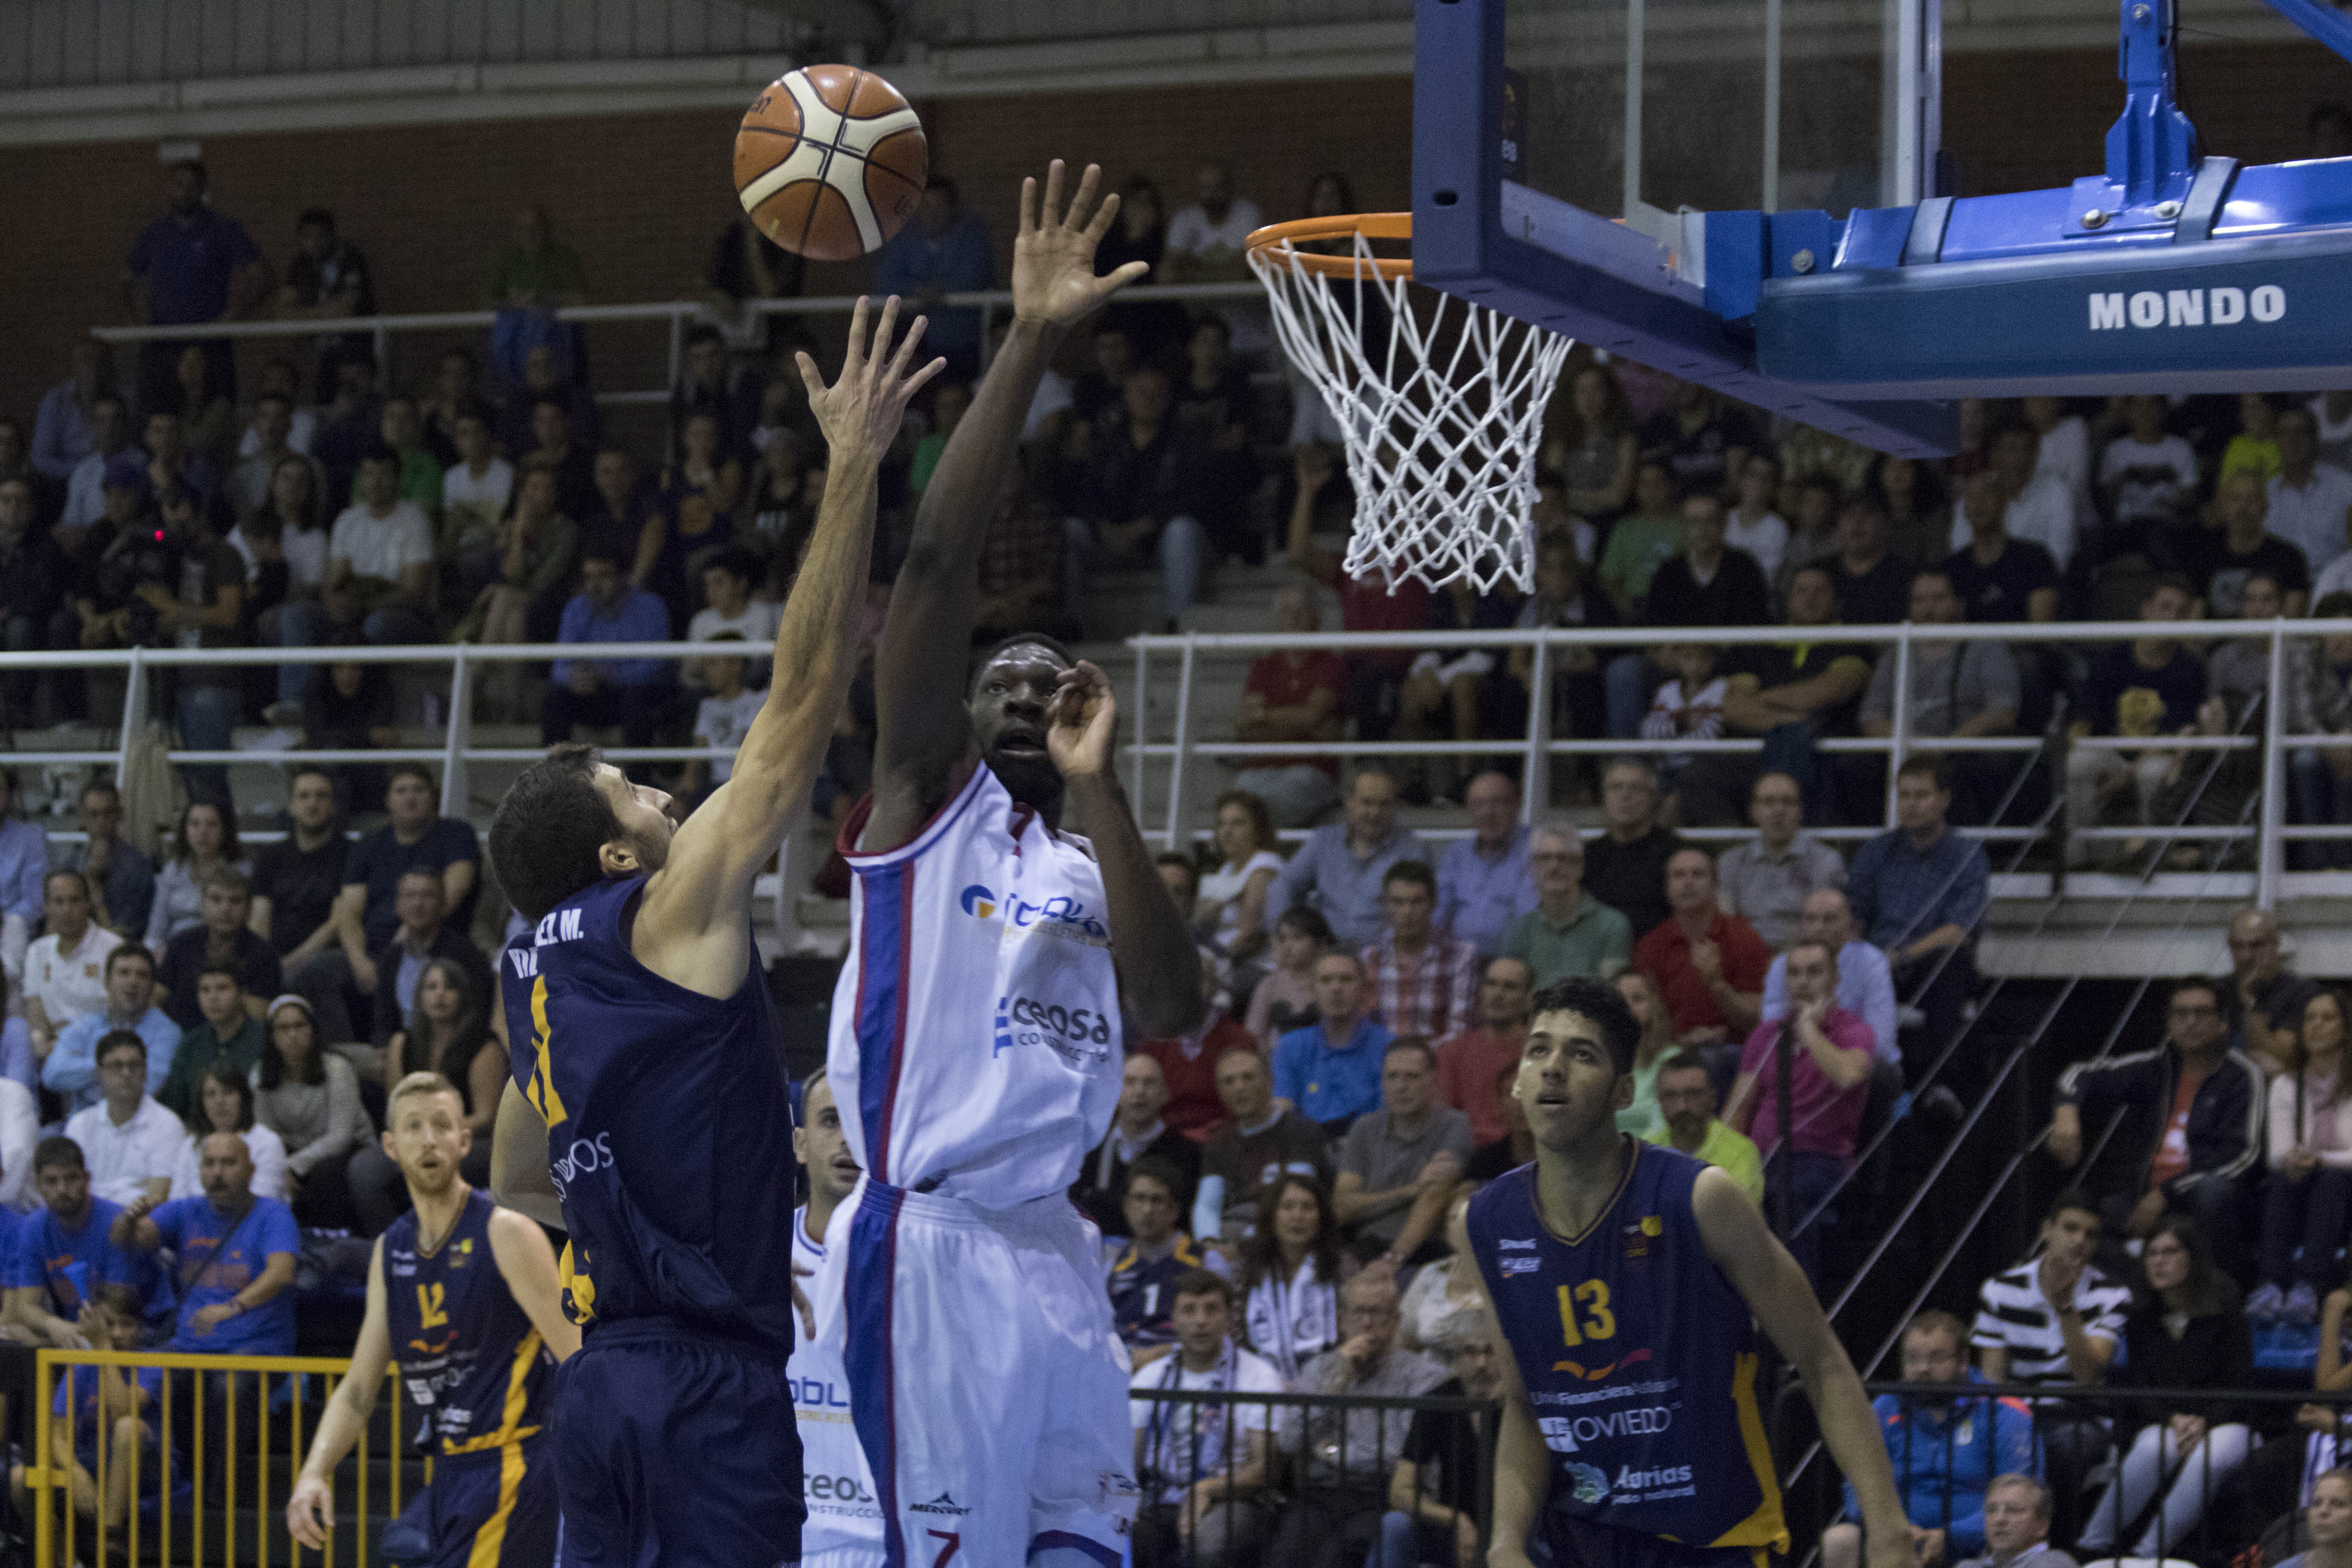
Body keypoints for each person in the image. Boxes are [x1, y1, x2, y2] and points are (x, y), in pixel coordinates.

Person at [481, 285, 940, 1568]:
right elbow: (798, 707)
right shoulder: (661, 906)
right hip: (707, 1391)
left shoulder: (528, 980)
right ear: (618, 855)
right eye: (639, 789)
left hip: (608, 1381)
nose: (669, 789)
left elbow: (518, 1178)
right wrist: (851, 466)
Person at [785, 169, 1198, 1568]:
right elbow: (946, 555)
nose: (1023, 690)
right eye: (1000, 679)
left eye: (1050, 677)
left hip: (1059, 1253)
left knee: (1083, 1548)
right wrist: (1028, 342)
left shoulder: (1092, 850)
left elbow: (1176, 998)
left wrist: (1102, 788)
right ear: (959, 712)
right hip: (932, 1246)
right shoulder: (920, 804)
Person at [1463, 975, 1907, 1568]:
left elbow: (1823, 1362)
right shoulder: (1488, 1221)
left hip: (1713, 1541)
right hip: (1582, 1543)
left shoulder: (1700, 1198)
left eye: (1582, 1053)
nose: (1553, 1067)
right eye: (1539, 1049)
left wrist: (1887, 1526)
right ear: (1517, 1079)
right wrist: (1505, 1543)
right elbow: (1523, 1404)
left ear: (1624, 1092)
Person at [287, 1072, 575, 1568]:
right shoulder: (389, 1252)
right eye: (414, 1127)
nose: (429, 1139)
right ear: (390, 1146)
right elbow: (358, 1392)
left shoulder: (506, 1232)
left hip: (514, 1465)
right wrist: (314, 1471)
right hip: (449, 1471)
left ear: (465, 1140)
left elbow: (578, 1360)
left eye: (442, 1125)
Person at [2072, 1214, 2253, 1558]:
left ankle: (2147, 1555)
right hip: (2170, 1422)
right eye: (2152, 1253)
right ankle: (2091, 1546)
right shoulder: (2141, 1318)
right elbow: (2144, 1390)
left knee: (2211, 1454)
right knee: (2155, 1446)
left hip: (2229, 1422)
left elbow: (2239, 1385)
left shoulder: (2226, 1311)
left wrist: (2204, 1422)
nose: (2158, 1261)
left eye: (2169, 1252)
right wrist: (2175, 1420)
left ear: (2192, 1258)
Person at [2048, 974, 2265, 1255]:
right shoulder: (2154, 1067)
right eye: (2181, 1013)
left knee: (2213, 1192)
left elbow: (2244, 1157)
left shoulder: (2243, 1075)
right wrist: (2066, 1114)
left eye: (2201, 1013)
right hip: (2144, 1194)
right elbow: (2080, 1073)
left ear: (2222, 1023)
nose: (2191, 1022)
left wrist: (2167, 1193)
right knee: (2082, 1217)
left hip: (2203, 1200)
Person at [1970, 1192, 2131, 1542]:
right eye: (2070, 1229)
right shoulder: (2000, 1290)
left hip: (2078, 1412)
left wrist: (2065, 1307)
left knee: (2058, 1447)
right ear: (2047, 1230)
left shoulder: (2111, 1294)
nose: (2080, 1242)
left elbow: (2088, 1377)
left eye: (2090, 1234)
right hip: (2017, 1412)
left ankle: (2039, 1547)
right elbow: (1993, 1383)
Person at [1822, 1312, 2040, 1568]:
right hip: (1899, 1537)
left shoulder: (2003, 1413)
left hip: (1980, 1544)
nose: (1923, 1369)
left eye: (1937, 1358)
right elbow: (1856, 1483)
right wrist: (1897, 1529)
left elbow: (2024, 1498)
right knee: (1839, 1539)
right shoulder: (1885, 1408)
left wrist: (1949, 1537)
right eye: (1913, 1359)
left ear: (1963, 1361)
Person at [1269, 1271, 1451, 1568]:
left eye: (1377, 1313)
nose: (1367, 1323)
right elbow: (1288, 1441)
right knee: (1285, 1557)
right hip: (1321, 1493)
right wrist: (1336, 1384)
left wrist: (1332, 1452)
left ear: (1395, 1321)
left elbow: (1401, 1456)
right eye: (1358, 1313)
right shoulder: (1319, 1371)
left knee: (1336, 1560)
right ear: (1342, 1321)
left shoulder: (1424, 1379)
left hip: (1383, 1496)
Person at [1726, 939, 1875, 1286]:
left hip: (1820, 1160)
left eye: (1814, 972)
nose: (1803, 982)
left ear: (1834, 980)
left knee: (1786, 1197)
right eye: (1794, 973)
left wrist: (1809, 1031)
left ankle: (1797, 1315)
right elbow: (1737, 1112)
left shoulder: (1853, 1031)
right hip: (1762, 1158)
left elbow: (1848, 1075)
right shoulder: (1766, 1035)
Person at [787, 1070, 883, 1566]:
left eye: (864, 1123)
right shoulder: (751, 1258)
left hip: (888, 1542)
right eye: (831, 1121)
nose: (849, 1138)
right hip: (779, 1539)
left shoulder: (920, 1264)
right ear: (800, 1145)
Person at [1130, 1268, 1286, 1568]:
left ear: (1229, 1318)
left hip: (1230, 1499)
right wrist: (1127, 1499)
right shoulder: (1150, 1378)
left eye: (1212, 1309)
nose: (1200, 1321)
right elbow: (1129, 1462)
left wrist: (1206, 1490)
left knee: (1208, 1543)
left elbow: (1264, 1469)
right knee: (1124, 1535)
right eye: (1189, 1310)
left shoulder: (1259, 1377)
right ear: (1173, 1320)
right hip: (1161, 1494)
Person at [1847, 758, 1989, 1057]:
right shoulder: (1876, 851)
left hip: (1929, 964)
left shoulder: (1967, 854)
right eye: (1905, 796)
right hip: (1877, 963)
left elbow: (1957, 932)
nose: (1911, 805)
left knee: (1949, 966)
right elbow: (1853, 915)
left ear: (1944, 800)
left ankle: (1941, 1086)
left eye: (1921, 796)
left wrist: (1898, 958)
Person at [2065, 576, 2210, 866]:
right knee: (2079, 761)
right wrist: (2077, 745)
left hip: (2155, 758)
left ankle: (2154, 857)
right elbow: (2082, 722)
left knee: (2153, 772)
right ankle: (2076, 858)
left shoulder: (2191, 670)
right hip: (2113, 754)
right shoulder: (2110, 662)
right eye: (2164, 608)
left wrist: (2130, 772)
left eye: (2180, 613)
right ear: (2146, 609)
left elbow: (2179, 735)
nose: (2171, 618)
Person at [1859, 570, 2021, 824]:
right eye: (1919, 601)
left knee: (1993, 763)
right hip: (1907, 751)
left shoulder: (1985, 644)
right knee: (1857, 764)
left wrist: (1946, 746)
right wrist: (1912, 744)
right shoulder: (1896, 653)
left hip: (1963, 752)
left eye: (1938, 599)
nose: (1928, 609)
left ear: (1959, 605)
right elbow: (1870, 717)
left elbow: (2003, 711)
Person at [121, 161, 267, 413]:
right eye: (179, 185)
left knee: (214, 413)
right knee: (155, 415)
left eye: (192, 186)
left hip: (210, 341)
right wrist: (135, 324)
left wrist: (234, 316)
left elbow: (264, 277)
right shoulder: (155, 234)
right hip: (163, 342)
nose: (185, 191)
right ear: (169, 188)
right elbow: (123, 282)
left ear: (203, 190)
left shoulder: (223, 230)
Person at [2, 1138, 171, 1349]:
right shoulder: (33, 1228)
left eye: (71, 1179)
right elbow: (25, 1305)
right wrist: (54, 1325)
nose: (62, 1189)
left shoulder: (116, 1224)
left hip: (146, 1333)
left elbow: (115, 1313)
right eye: (52, 1181)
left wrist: (45, 1340)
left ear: (87, 1179)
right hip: (88, 1336)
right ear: (38, 1186)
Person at [2254, 986, 2352, 1325]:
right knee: (2283, 1178)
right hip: (2301, 1181)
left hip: (2343, 1186)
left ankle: (2309, 1287)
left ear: (2346, 1027)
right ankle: (2270, 1285)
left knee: (2332, 1179)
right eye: (2310, 1018)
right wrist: (2295, 1160)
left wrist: (2320, 1159)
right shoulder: (2286, 1085)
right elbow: (2277, 1154)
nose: (2317, 1026)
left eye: (2328, 1018)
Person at [1334, 1039, 1474, 1268]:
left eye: (1412, 1077)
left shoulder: (1455, 1125)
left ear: (1434, 1081)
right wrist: (1410, 1190)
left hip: (1426, 1252)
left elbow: (1434, 1195)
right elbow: (1342, 1207)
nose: (1401, 1087)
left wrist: (1392, 1262)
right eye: (1393, 1077)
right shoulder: (1365, 1128)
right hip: (1366, 1247)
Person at [1268, 769, 1431, 952]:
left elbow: (1420, 910)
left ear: (1395, 806)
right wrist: (1282, 933)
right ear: (1350, 802)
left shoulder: (1412, 850)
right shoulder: (1324, 841)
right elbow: (1285, 883)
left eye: (1384, 804)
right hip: (1326, 955)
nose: (1375, 813)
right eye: (1367, 803)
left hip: (1382, 958)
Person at [1229, 585, 1347, 829]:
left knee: (1254, 809)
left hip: (1311, 772)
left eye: (1300, 611)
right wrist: (1303, 723)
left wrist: (1266, 718)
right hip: (1259, 772)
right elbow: (1246, 726)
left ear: (1316, 617)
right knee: (1242, 789)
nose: (1293, 617)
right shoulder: (1264, 666)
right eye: (1286, 611)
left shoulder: (1330, 664)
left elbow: (1311, 717)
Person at [253, 993, 373, 1230]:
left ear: (313, 1030)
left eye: (300, 1026)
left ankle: (332, 1240)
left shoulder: (338, 1068)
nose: (293, 1035)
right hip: (294, 1151)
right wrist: (278, 1165)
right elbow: (264, 1135)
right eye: (284, 1028)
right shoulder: (260, 1075)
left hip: (350, 1149)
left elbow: (341, 1137)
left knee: (324, 1176)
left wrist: (290, 1166)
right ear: (273, 1037)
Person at [1193, 1048, 1332, 1252]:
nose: (1239, 1087)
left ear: (1270, 1081)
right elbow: (1207, 1205)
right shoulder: (1219, 1141)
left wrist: (1244, 1247)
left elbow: (1298, 1203)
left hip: (1289, 1240)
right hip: (1232, 1240)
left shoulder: (1301, 1131)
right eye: (1229, 1082)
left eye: (1248, 1078)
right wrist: (1210, 1244)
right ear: (1220, 1091)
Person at [540, 547, 675, 755]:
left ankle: (639, 780)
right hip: (590, 693)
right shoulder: (576, 607)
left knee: (637, 701)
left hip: (633, 693)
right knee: (555, 699)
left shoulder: (651, 607)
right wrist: (575, 677)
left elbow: (653, 667)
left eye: (604, 576)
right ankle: (555, 779)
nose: (595, 585)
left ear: (624, 577)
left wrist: (611, 674)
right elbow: (559, 666)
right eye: (589, 577)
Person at [1633, 848, 1770, 1046]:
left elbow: (1759, 1017)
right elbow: (1643, 1020)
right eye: (1679, 875)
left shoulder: (1745, 938)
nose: (1688, 883)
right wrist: (1681, 1042)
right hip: (1669, 1054)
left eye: (1698, 875)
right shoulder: (1651, 946)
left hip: (1734, 1052)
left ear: (1715, 886)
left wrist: (1717, 985)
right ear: (1667, 888)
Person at [870, 177, 995, 381]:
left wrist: (942, 290)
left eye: (940, 207)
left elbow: (977, 278)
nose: (933, 213)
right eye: (926, 206)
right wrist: (917, 291)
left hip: (961, 340)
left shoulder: (972, 234)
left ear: (953, 209)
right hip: (912, 341)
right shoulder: (904, 237)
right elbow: (886, 282)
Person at [1762, 889, 1902, 1066]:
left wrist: (1826, 1053)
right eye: (1811, 919)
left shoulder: (1873, 962)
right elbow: (1770, 1031)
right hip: (1798, 1063)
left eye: (1830, 919)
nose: (1819, 927)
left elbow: (1880, 1042)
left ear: (1850, 924)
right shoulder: (1782, 966)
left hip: (1863, 1064)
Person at [1715, 771, 1848, 951]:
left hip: (1803, 962)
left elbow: (1822, 927)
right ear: (1754, 812)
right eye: (1769, 802)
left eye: (1788, 802)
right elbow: (1727, 924)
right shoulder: (1731, 862)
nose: (1779, 810)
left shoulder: (1826, 861)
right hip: (1746, 960)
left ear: (1800, 812)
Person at [1075, 1054, 1204, 1237]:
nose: (1139, 1091)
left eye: (1149, 1083)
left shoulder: (1188, 1154)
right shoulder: (1091, 1148)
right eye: (1130, 1082)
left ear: (1164, 1093)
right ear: (1116, 1092)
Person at [1238, 1172, 1350, 1381]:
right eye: (1288, 1207)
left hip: (1329, 1388)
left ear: (1321, 1217)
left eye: (1308, 1208)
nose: (1297, 1216)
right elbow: (1236, 1338)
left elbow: (1352, 1333)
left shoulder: (1343, 1267)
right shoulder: (1248, 1269)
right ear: (1272, 1216)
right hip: (1262, 1390)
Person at [1107, 1158, 1220, 1362]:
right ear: (1126, 1206)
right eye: (1140, 1199)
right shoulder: (1112, 1266)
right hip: (1123, 1369)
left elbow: (1222, 1332)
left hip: (1183, 1369)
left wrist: (1160, 1355)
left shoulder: (1205, 1262)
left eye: (1157, 1200)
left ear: (1175, 1210)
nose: (1147, 1210)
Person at [1495, 827, 1633, 989]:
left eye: (1564, 858)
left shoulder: (1612, 926)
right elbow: (1511, 991)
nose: (1554, 867)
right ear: (1532, 868)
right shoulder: (1518, 928)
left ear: (1580, 867)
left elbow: (1610, 996)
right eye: (1545, 858)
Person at [1136, 956, 1256, 1140]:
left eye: (1200, 979)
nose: (1190, 989)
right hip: (1163, 1142)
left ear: (1215, 987)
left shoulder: (1238, 1040)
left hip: (1225, 1140)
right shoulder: (1155, 1043)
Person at [325, 446, 436, 644]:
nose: (375, 483)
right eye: (369, 474)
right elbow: (334, 587)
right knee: (299, 617)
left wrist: (364, 601)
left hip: (401, 617)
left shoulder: (415, 520)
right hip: (354, 611)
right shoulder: (346, 521)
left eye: (383, 475)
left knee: (375, 624)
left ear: (398, 479)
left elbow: (413, 593)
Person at [46, 947, 176, 1114]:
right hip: (80, 1126)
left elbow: (149, 1087)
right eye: (123, 973)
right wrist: (107, 1067)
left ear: (152, 987)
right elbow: (52, 1075)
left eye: (142, 975)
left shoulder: (166, 1032)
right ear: (107, 983)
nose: (132, 982)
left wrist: (87, 1076)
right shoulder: (88, 1024)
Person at [1273, 952, 1394, 1131]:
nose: (1336, 988)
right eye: (1326, 981)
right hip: (1308, 1149)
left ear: (1363, 990)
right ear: (1313, 991)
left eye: (1346, 980)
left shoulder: (1389, 1047)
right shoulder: (1290, 1047)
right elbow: (1283, 1112)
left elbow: (1391, 1120)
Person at [64, 1031, 185, 1208]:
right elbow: (70, 1190)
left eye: (134, 1065)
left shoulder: (167, 1124)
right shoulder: (79, 1125)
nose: (127, 1073)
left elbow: (157, 1199)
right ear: (99, 1075)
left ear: (145, 1073)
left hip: (140, 1226)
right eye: (116, 1066)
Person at [1362, 863, 1479, 1042]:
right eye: (1398, 903)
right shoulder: (1370, 958)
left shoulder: (1460, 956)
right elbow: (1364, 1026)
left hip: (1437, 1063)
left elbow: (1459, 1030)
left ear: (1433, 903)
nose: (1408, 912)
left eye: (1417, 902)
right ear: (1386, 905)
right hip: (1381, 1062)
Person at [23, 870, 121, 1076]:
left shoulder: (113, 949)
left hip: (99, 1048)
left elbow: (118, 1013)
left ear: (88, 903)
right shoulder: (37, 951)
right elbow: (35, 1012)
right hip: (52, 1049)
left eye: (75, 901)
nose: (67, 910)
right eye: (59, 902)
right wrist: (44, 1046)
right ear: (46, 907)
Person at [156, 869, 282, 1029]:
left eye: (235, 901)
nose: (225, 909)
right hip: (180, 1038)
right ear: (203, 904)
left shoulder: (264, 956)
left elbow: (258, 1018)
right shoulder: (181, 944)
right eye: (216, 900)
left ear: (249, 909)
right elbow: (156, 998)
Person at [249, 767, 345, 968]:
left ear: (334, 805)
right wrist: (264, 962)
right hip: (273, 956)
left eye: (322, 796)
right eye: (304, 796)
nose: (313, 803)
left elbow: (337, 923)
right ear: (291, 806)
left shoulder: (350, 855)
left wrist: (290, 963)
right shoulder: (270, 856)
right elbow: (259, 918)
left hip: (323, 958)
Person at [1436, 956, 1534, 1147]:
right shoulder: (1453, 1053)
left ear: (1528, 998)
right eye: (1492, 984)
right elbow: (1445, 1122)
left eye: (1510, 987)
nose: (1498, 994)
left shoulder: (1539, 1053)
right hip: (1467, 1158)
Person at [1647, 1049, 1764, 1204]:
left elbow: (1734, 1216)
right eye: (1671, 1096)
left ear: (1712, 1099)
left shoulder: (1741, 1150)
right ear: (1660, 1102)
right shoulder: (1646, 1149)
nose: (1682, 1106)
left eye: (1692, 1094)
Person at [1580, 759, 1681, 938]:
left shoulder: (1677, 854)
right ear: (1604, 798)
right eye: (1616, 788)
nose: (1625, 795)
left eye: (1636, 788)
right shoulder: (1589, 855)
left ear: (1653, 798)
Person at [157, 965, 266, 1121]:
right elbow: (173, 1104)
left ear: (243, 995)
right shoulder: (191, 1042)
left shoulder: (265, 1038)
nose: (213, 998)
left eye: (222, 988)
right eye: (205, 990)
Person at [167, 1064, 288, 1203]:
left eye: (228, 1092)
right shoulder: (191, 1145)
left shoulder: (268, 1143)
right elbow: (177, 1205)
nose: (220, 1101)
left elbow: (265, 1204)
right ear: (202, 1103)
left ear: (243, 1098)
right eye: (211, 1094)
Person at [144, 799, 247, 958]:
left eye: (211, 824)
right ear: (185, 830)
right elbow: (156, 928)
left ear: (224, 830)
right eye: (195, 824)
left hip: (222, 953)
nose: (203, 832)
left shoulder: (240, 870)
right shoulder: (173, 870)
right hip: (173, 954)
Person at [55, 781, 154, 940]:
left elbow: (121, 936)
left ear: (119, 815)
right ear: (83, 818)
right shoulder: (71, 864)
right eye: (94, 814)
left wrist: (94, 884)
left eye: (108, 813)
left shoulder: (138, 868)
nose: (101, 822)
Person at [1196, 791, 1283, 971]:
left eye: (1238, 824)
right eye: (1222, 824)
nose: (1227, 832)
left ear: (1258, 831)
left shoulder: (1264, 865)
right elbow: (1201, 920)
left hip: (1252, 967)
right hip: (1219, 960)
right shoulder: (1226, 870)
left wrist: (1216, 963)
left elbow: (1250, 939)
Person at [1246, 907, 1332, 1051]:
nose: (1288, 946)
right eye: (1284, 939)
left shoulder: (1331, 979)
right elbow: (1254, 1034)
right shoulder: (1270, 985)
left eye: (1297, 937)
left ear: (1319, 942)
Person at [1952, 1477, 2076, 1568]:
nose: (1999, 1519)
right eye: (1991, 1510)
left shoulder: (2053, 1564)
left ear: (2043, 1525)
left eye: (2013, 1510)